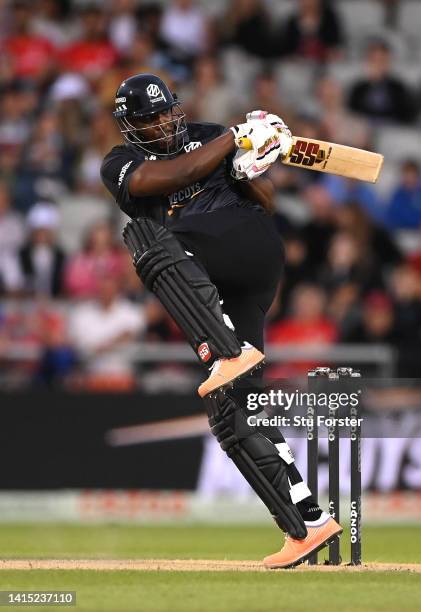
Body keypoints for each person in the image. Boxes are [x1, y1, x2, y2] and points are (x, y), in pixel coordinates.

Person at [100, 73, 341, 568]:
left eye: (167, 111)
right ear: (130, 126)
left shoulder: (209, 134)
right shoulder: (121, 163)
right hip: (213, 282)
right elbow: (157, 181)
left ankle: (225, 354)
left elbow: (269, 202)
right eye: (151, 118)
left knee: (146, 237)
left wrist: (251, 165)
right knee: (232, 413)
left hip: (246, 244)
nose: (165, 122)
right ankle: (308, 525)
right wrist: (237, 138)